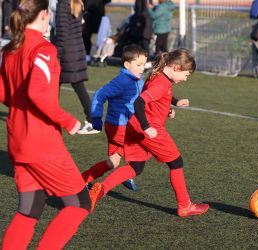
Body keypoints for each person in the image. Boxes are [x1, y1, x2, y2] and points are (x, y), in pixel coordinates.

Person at [0, 0, 91, 248]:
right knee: (80, 203)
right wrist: (68, 121)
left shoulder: (10, 49)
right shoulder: (43, 48)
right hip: (41, 144)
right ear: (43, 14)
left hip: (18, 143)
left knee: (30, 209)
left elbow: (4, 93)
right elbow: (36, 93)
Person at [89, 48, 209, 217]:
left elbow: (155, 99)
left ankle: (101, 188)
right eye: (187, 75)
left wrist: (170, 107)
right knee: (176, 162)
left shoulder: (156, 75)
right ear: (176, 68)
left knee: (136, 167)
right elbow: (139, 102)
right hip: (150, 130)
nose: (185, 79)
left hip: (133, 126)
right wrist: (147, 127)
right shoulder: (162, 83)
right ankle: (185, 206)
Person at [81, 44, 148, 191]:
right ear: (127, 64)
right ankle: (126, 175)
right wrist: (96, 117)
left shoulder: (139, 80)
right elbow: (100, 94)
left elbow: (145, 99)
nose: (142, 68)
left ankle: (83, 179)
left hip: (123, 126)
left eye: (144, 64)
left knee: (113, 162)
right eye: (138, 64)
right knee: (143, 146)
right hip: (119, 126)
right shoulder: (122, 81)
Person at [55, 0, 99, 134]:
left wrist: (56, 53)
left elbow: (62, 33)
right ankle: (93, 121)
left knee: (55, 87)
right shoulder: (76, 2)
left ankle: (93, 122)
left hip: (67, 53)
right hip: (76, 50)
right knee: (75, 87)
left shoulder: (63, 4)